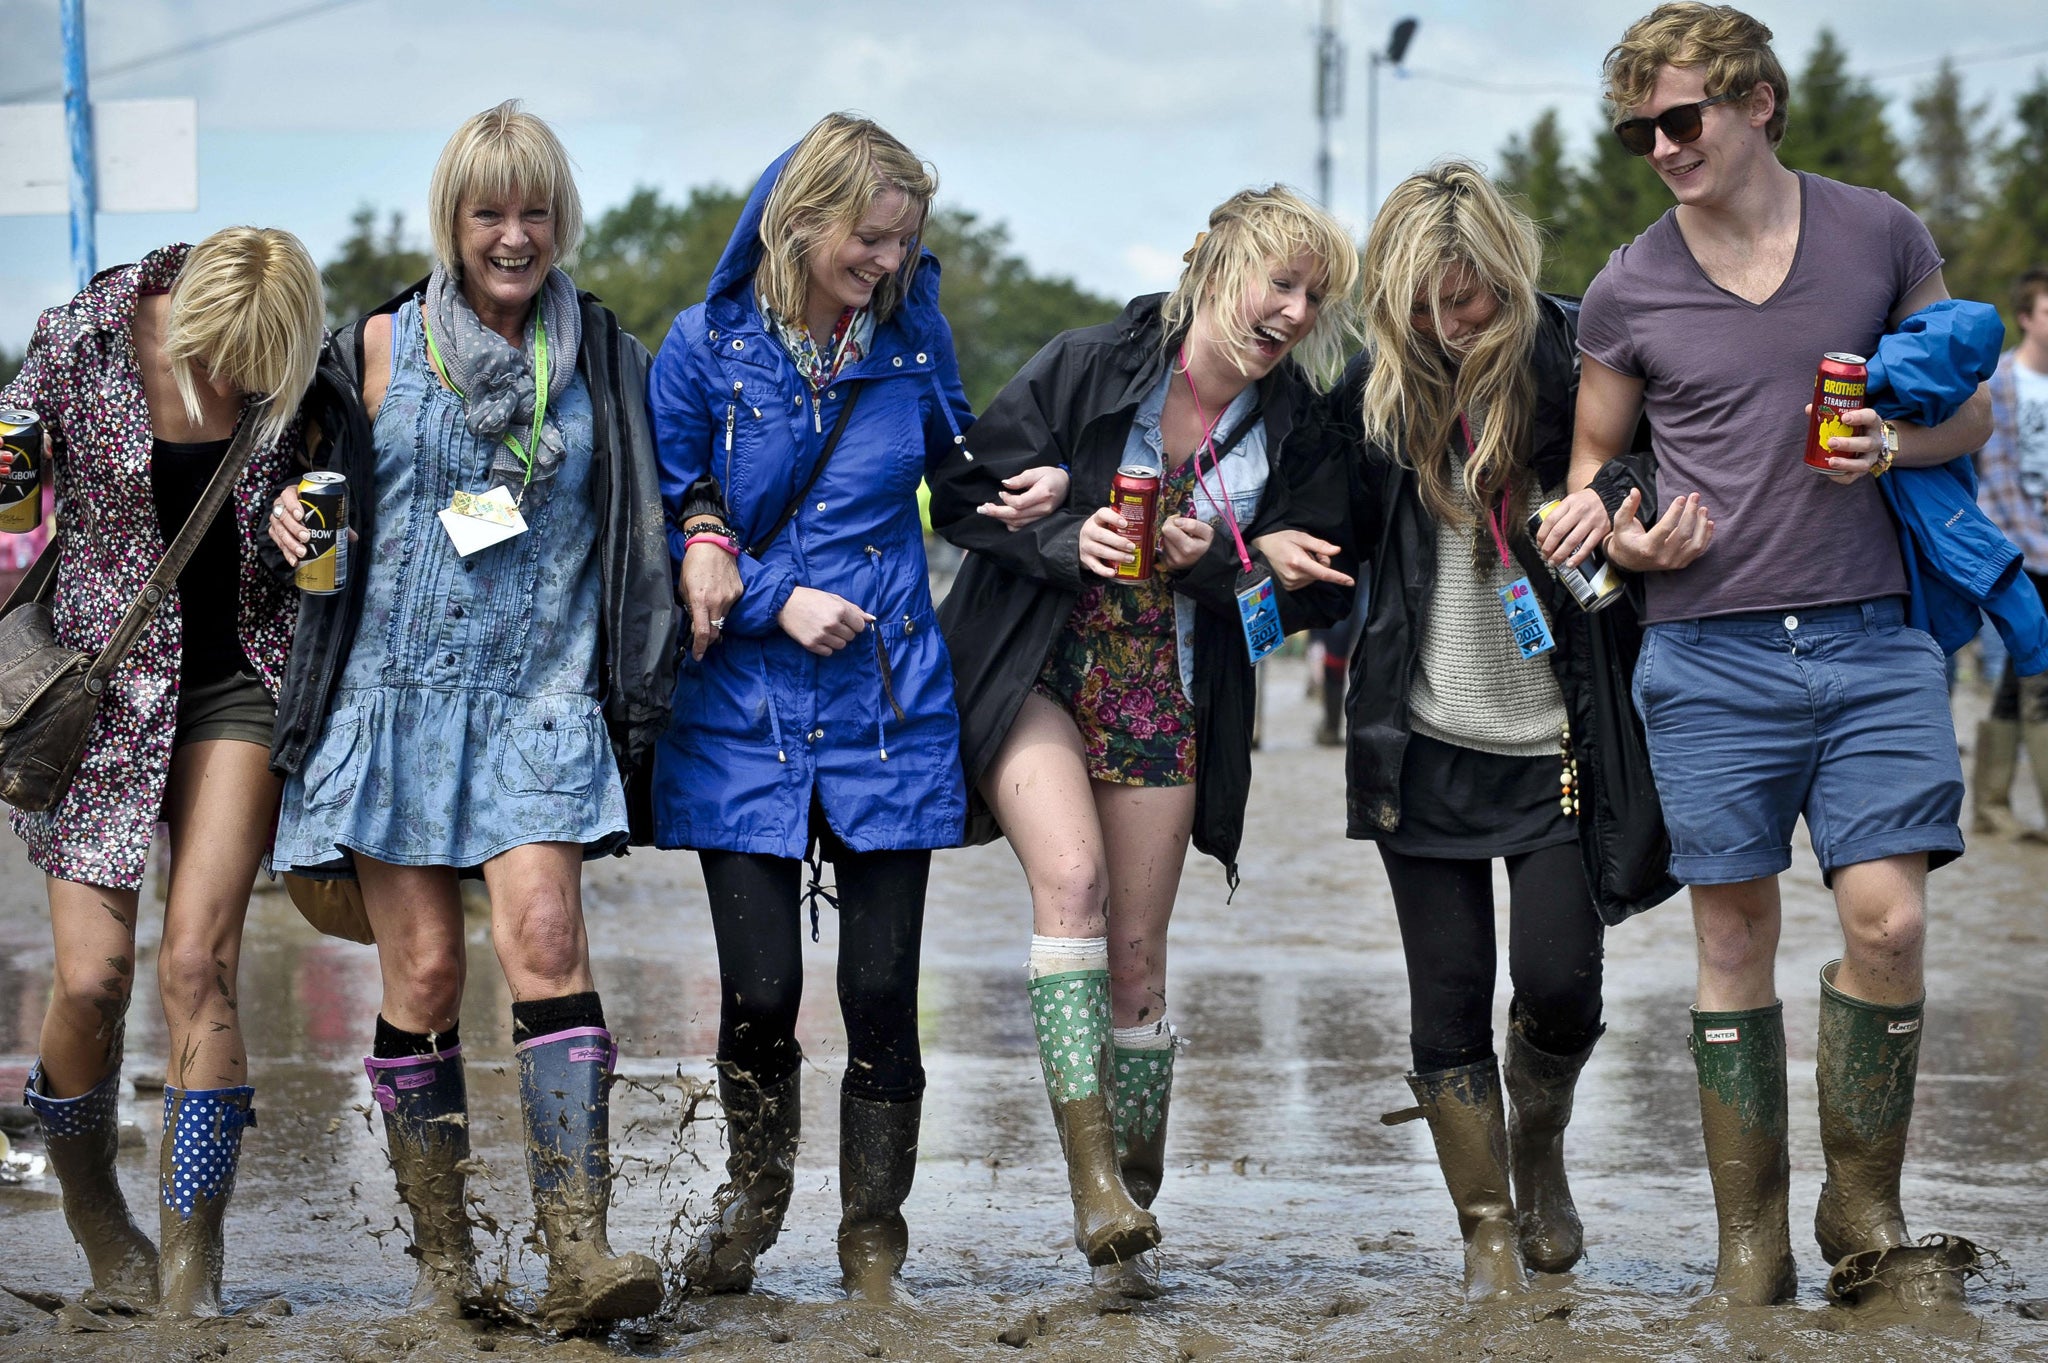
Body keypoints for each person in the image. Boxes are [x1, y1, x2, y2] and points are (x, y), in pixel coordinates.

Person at [1538, 3, 1993, 1309]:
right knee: (1732, 938)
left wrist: (1896, 448)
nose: (1663, 147)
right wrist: (1626, 538)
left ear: (1756, 102)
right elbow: (1589, 473)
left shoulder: (1880, 234)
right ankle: (1753, 1235)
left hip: (1873, 638)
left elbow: (1963, 403)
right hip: (1705, 652)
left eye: (1681, 118)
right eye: (1640, 132)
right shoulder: (1629, 285)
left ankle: (1866, 1194)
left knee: (1889, 919)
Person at [265, 101, 674, 1331]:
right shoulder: (374, 346)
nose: (514, 235)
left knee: (546, 939)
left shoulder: (600, 351)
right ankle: (446, 1265)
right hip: (394, 700)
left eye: (534, 210)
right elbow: (279, 482)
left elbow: (661, 492)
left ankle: (579, 1251)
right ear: (453, 219)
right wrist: (281, 515)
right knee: (430, 972)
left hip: (538, 699)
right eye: (489, 211)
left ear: (562, 219)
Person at [645, 113, 1064, 1304]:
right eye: (868, 238)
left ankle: (872, 1239)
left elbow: (957, 482)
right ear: (801, 219)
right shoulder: (701, 348)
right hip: (741, 711)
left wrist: (1027, 494)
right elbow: (677, 514)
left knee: (880, 994)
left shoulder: (911, 340)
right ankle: (752, 1202)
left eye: (902, 242)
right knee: (762, 993)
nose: (885, 262)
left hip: (887, 707)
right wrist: (774, 597)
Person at [929, 186, 1360, 1295]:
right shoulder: (1088, 361)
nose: (1295, 311)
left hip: (1164, 682)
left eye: (1312, 296)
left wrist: (1215, 560)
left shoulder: (1297, 419)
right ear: (1216, 267)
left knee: (1137, 958)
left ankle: (1132, 1207)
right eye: (1280, 281)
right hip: (1040, 662)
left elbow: (1299, 593)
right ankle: (1091, 1192)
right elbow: (960, 490)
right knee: (1066, 881)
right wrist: (1069, 528)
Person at [1316, 162, 1676, 1300]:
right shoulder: (1378, 392)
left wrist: (1618, 497)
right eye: (1420, 302)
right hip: (1420, 746)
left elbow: (1665, 462)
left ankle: (1540, 1152)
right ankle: (1483, 1231)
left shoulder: (1579, 365)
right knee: (1447, 996)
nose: (1443, 322)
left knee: (1560, 983)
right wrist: (1275, 550)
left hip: (1561, 745)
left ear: (1508, 278)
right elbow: (1320, 534)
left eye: (1463, 296)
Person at [4, 228, 323, 1317]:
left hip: (236, 679)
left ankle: (194, 1274)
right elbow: (12, 473)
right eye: (225, 352)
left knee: (198, 964)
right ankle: (102, 1228)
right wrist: (9, 467)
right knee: (93, 979)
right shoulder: (77, 342)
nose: (239, 380)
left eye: (259, 362)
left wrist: (314, 526)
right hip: (97, 689)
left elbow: (342, 504)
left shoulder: (294, 368)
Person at [1974, 267, 2048, 841]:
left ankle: (1993, 805)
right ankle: (2001, 807)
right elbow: (1981, 474)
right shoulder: (1995, 382)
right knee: (2034, 674)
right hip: (2013, 552)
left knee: (2017, 680)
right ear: (2025, 318)